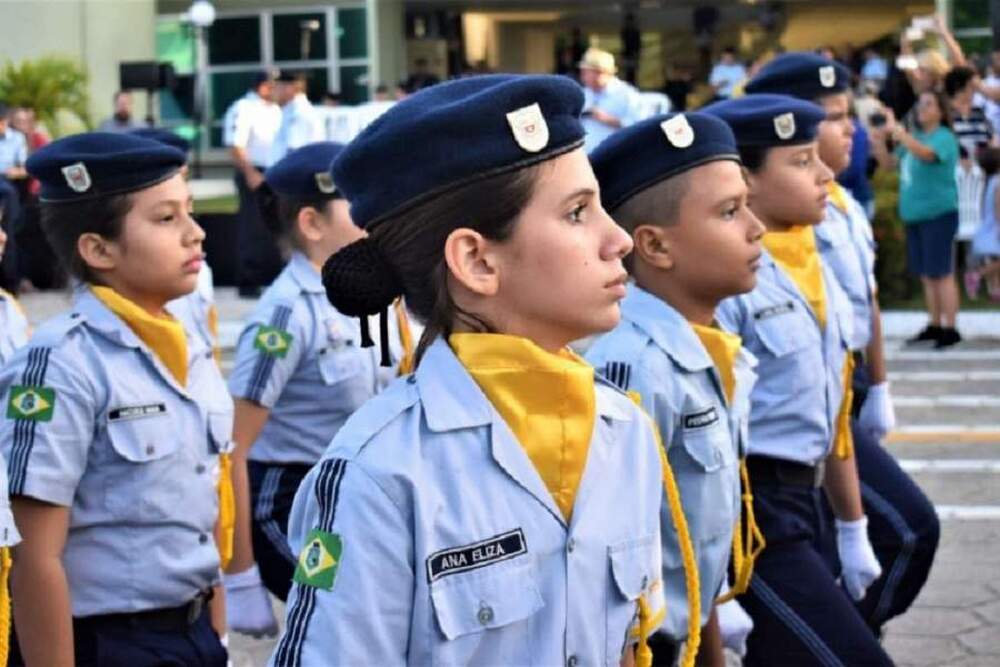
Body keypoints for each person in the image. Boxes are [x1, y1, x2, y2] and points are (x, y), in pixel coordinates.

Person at [268, 74, 702, 666]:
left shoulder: (624, 429)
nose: (618, 239)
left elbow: (631, 643)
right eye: (578, 213)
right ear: (476, 260)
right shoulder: (381, 473)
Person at [3, 132, 230, 666]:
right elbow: (34, 554)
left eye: (190, 212)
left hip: (191, 631)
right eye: (166, 219)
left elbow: (204, 504)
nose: (196, 234)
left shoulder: (187, 346)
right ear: (98, 249)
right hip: (110, 644)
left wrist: (217, 631)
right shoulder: (62, 364)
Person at [746, 51, 940, 636]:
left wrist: (876, 386)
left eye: (844, 114)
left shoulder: (839, 207)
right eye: (832, 118)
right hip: (781, 453)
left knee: (876, 550)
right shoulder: (765, 247)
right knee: (903, 533)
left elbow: (865, 303)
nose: (849, 127)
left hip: (832, 402)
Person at [703, 94, 890, 666]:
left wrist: (852, 523)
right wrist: (713, 586)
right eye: (802, 160)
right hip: (756, 512)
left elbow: (830, 408)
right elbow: (703, 455)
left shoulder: (794, 266)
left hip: (805, 492)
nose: (827, 175)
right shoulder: (729, 288)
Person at [587, 111, 765, 666]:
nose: (756, 227)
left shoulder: (706, 341)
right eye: (730, 212)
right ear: (655, 247)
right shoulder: (633, 365)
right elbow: (607, 563)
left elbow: (694, 549)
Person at [224, 142, 412, 636]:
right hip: (287, 502)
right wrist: (240, 573)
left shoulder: (376, 295)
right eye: (356, 204)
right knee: (350, 608)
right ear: (312, 223)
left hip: (359, 491)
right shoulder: (285, 315)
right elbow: (233, 448)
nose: (373, 214)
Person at [871, 91, 962, 348]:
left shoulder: (944, 138)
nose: (921, 108)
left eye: (928, 104)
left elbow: (925, 154)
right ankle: (935, 324)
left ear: (941, 112)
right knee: (927, 273)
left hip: (939, 213)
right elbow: (889, 164)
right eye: (920, 104)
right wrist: (879, 141)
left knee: (942, 272)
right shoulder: (916, 137)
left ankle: (950, 328)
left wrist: (897, 131)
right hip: (916, 214)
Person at [223, 71, 283, 298]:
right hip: (254, 171)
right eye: (273, 85)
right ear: (263, 86)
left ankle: (271, 275)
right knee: (253, 227)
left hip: (274, 172)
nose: (277, 89)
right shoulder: (243, 107)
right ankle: (248, 279)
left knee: (275, 226)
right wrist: (249, 173)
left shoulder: (275, 110)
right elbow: (235, 145)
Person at [578, 47, 643, 153]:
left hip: (615, 158)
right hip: (586, 159)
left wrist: (609, 120)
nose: (582, 76)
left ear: (600, 72)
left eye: (586, 72)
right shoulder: (583, 93)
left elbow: (639, 128)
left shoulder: (627, 95)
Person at [966, 147, 1000, 299]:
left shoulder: (989, 180)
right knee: (995, 261)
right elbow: (998, 208)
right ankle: (976, 275)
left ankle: (995, 291)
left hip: (986, 228)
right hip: (994, 228)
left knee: (994, 260)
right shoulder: (998, 182)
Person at [270, 72, 325, 165]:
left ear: (289, 88)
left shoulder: (299, 113)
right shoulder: (289, 111)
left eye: (276, 88)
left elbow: (294, 153)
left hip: (291, 173)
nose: (273, 92)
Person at [945, 65, 996, 157]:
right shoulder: (945, 114)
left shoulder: (978, 112)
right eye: (972, 87)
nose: (975, 91)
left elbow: (990, 140)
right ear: (959, 88)